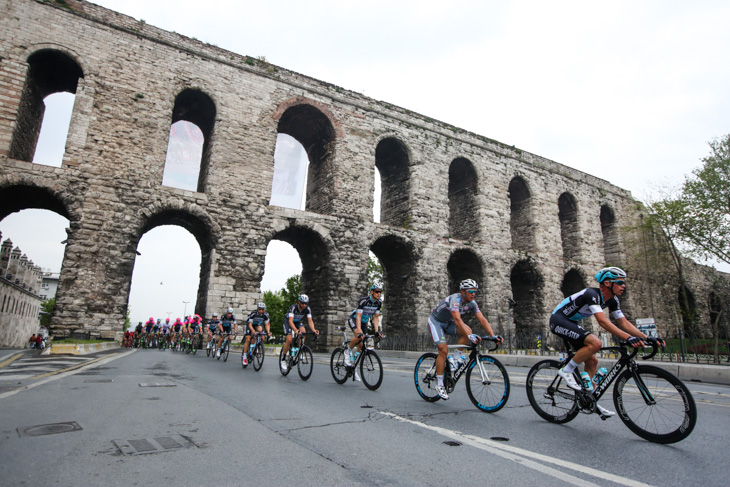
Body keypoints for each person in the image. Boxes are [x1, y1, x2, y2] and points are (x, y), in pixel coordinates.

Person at [551, 266, 660, 418]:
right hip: (559, 320)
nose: (624, 286)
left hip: (572, 323)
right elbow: (602, 321)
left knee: (593, 361)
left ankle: (589, 399)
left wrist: (646, 337)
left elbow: (623, 322)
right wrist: (628, 338)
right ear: (608, 283)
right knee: (596, 344)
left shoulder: (613, 300)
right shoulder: (592, 294)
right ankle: (566, 370)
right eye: (620, 283)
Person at [427, 279, 500, 400]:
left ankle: (455, 359)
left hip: (448, 322)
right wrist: (469, 336)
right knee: (443, 350)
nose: (473, 294)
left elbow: (482, 320)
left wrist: (493, 335)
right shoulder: (455, 300)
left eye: (475, 291)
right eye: (470, 291)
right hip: (436, 322)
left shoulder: (472, 303)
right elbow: (457, 320)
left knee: (468, 331)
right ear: (463, 292)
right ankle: (440, 385)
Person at [344, 282, 384, 381]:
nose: (379, 293)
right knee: (359, 336)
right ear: (372, 292)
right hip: (354, 319)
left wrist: (376, 331)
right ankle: (347, 351)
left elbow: (375, 318)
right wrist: (359, 331)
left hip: (364, 322)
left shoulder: (379, 303)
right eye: (377, 291)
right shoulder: (364, 301)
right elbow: (358, 316)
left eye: (380, 292)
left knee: (361, 345)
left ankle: (355, 367)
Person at [280, 294, 319, 372]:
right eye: (302, 303)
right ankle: (283, 359)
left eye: (305, 303)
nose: (304, 305)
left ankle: (299, 351)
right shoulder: (293, 307)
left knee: (303, 332)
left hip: (297, 321)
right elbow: (290, 321)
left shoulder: (307, 309)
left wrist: (314, 330)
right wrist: (295, 330)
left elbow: (310, 321)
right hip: (288, 322)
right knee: (289, 339)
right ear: (299, 302)